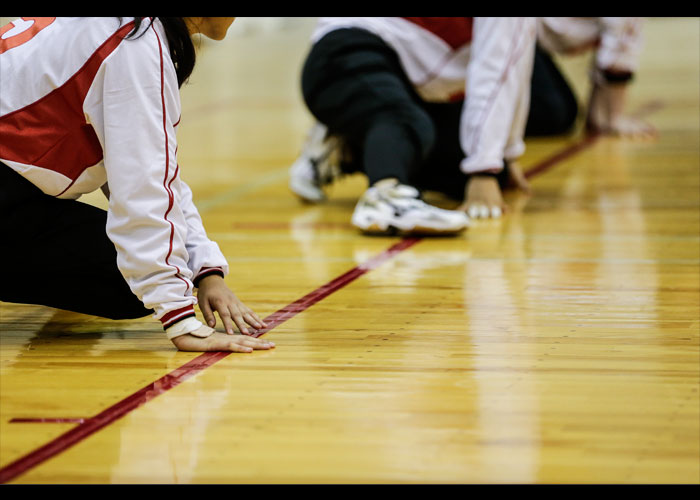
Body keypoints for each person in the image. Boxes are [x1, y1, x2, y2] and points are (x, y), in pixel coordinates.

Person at [0, 17, 274, 353]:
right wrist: (180, 318)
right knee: (129, 283)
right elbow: (141, 187)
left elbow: (157, 174)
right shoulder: (135, 43)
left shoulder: (125, 27)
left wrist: (204, 271)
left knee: (149, 266)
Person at [288, 17, 536, 232]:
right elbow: (494, 71)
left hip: (405, 81)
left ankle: (347, 149)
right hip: (343, 54)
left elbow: (513, 66)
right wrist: (484, 167)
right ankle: (386, 193)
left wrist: (504, 154)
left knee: (473, 173)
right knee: (406, 122)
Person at [525, 17, 657, 138]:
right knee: (552, 114)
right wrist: (615, 118)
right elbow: (618, 52)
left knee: (563, 113)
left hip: (530, 36)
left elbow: (612, 45)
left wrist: (598, 115)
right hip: (516, 31)